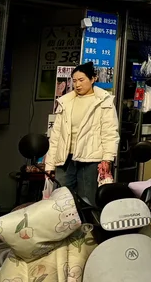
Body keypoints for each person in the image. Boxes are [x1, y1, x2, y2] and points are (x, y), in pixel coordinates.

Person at [46, 61, 119, 207]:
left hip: (90, 159)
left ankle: (87, 229)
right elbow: (56, 136)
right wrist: (50, 164)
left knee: (87, 200)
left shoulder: (103, 101)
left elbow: (110, 132)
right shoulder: (65, 102)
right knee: (61, 201)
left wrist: (107, 158)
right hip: (65, 159)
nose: (77, 85)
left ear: (93, 79)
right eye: (74, 81)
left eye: (81, 80)